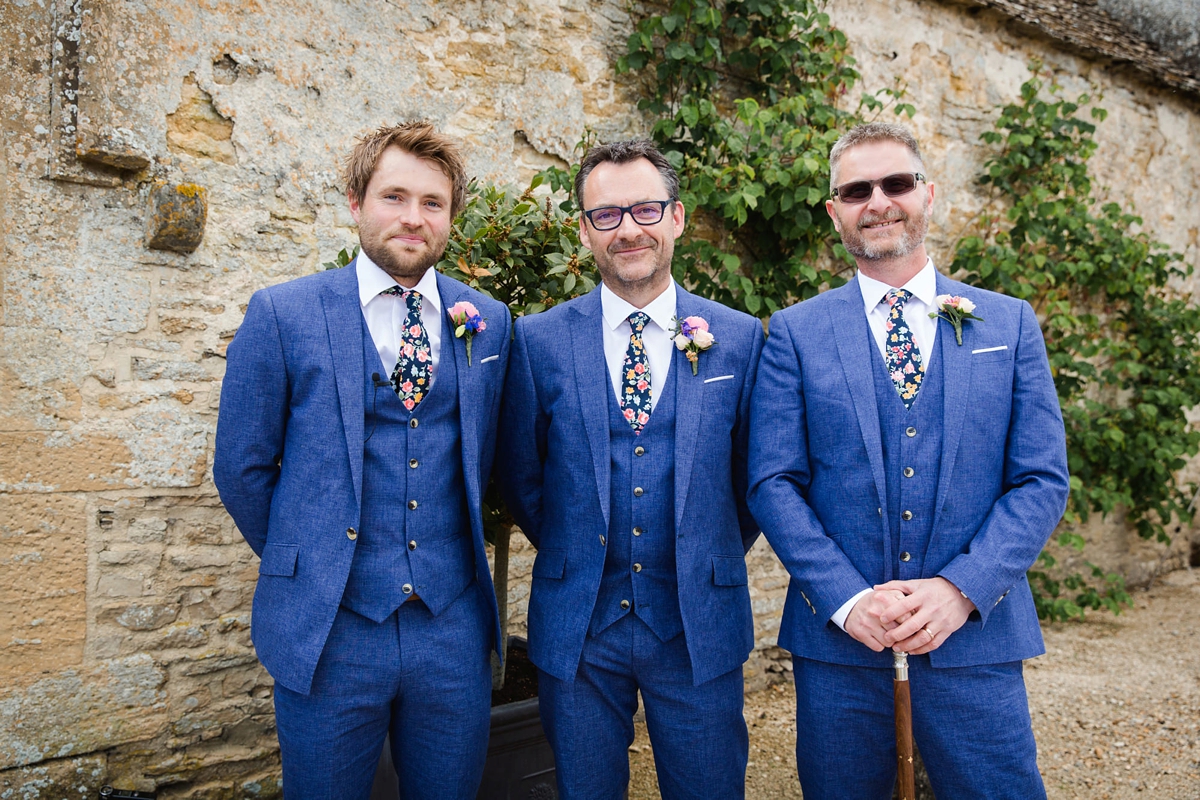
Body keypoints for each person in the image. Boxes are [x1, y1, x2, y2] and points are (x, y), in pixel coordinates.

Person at [747, 122, 1069, 799]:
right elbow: (774, 481)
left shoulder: (1006, 324)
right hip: (840, 646)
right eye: (856, 190)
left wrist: (960, 590)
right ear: (835, 210)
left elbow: (1040, 479)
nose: (879, 201)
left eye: (896, 183)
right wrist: (846, 599)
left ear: (927, 194)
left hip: (976, 639)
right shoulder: (796, 334)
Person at [213, 121, 510, 799]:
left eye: (433, 203)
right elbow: (242, 467)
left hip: (452, 626)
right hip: (331, 628)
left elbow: (497, 455)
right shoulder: (283, 314)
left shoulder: (487, 319)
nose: (413, 218)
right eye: (394, 197)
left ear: (451, 217)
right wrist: (310, 559)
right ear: (355, 202)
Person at [497, 140, 764, 799]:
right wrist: (576, 544)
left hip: (696, 622)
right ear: (585, 231)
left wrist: (707, 548)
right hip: (580, 625)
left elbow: (753, 481)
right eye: (607, 215)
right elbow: (523, 476)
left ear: (676, 217)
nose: (629, 229)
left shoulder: (739, 336)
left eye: (645, 209)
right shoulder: (536, 341)